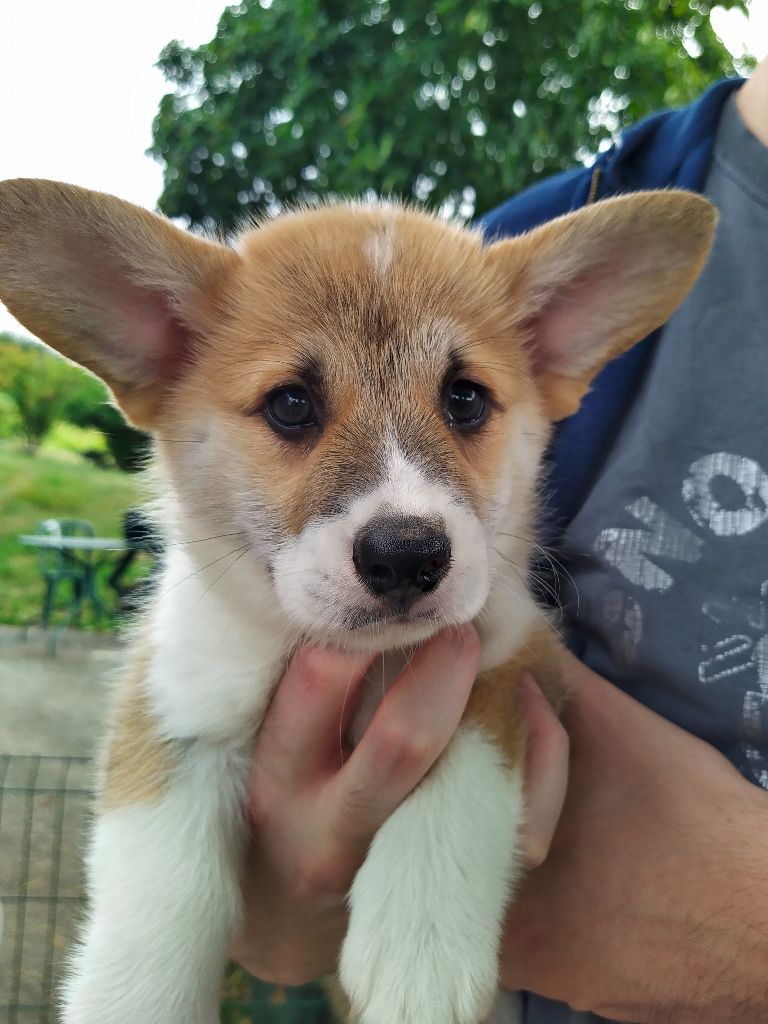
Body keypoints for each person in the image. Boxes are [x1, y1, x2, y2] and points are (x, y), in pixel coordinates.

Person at [232, 60, 768, 1023]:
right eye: (296, 406)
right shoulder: (489, 264)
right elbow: (280, 931)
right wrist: (283, 898)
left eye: (464, 400)